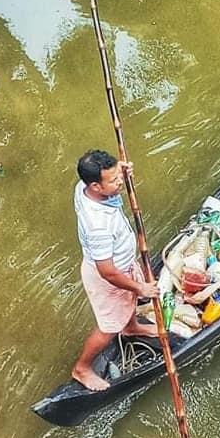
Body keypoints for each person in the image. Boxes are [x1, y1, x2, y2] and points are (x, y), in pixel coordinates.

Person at [71, 150, 159, 391]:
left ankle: (131, 328)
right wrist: (140, 288)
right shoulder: (97, 224)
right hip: (109, 277)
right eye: (113, 180)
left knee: (128, 303)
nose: (120, 182)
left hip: (123, 264)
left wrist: (120, 169)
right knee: (108, 327)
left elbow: (106, 176)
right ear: (96, 186)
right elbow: (107, 272)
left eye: (118, 177)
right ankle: (81, 368)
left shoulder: (83, 189)